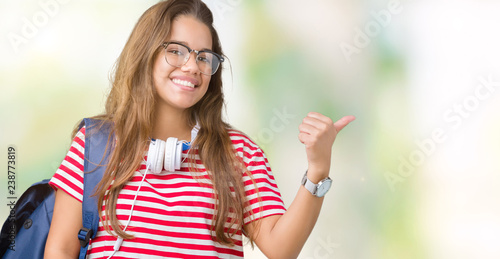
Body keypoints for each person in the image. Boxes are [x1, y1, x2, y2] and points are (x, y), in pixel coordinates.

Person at [44, 0, 355, 258]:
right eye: (176, 50)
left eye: (204, 57)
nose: (193, 66)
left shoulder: (239, 153)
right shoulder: (97, 143)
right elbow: (60, 250)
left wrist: (318, 168)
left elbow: (281, 249)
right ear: (146, 53)